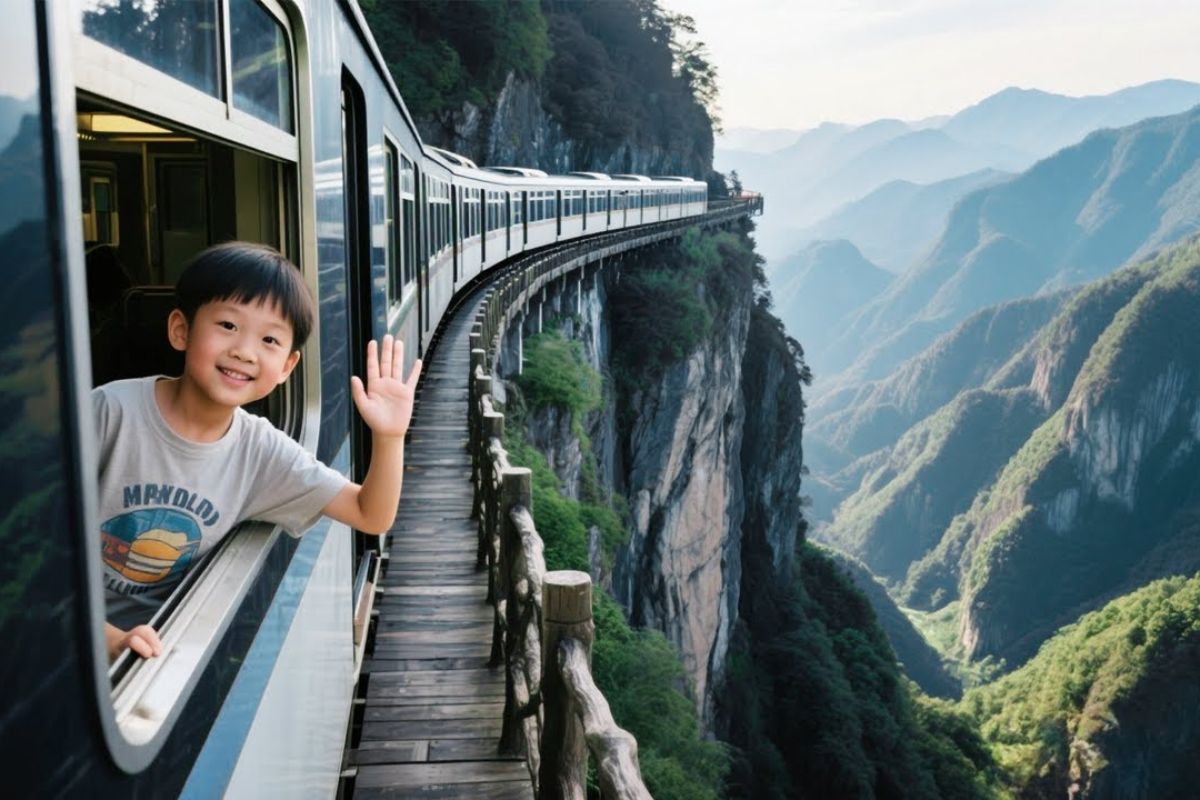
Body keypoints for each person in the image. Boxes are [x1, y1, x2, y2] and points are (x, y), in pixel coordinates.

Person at [96, 242, 421, 660]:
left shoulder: (261, 451)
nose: (245, 351)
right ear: (181, 329)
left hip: (147, 654)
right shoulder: (109, 412)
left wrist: (390, 437)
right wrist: (110, 640)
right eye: (228, 326)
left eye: (269, 339)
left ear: (287, 367)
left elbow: (369, 513)